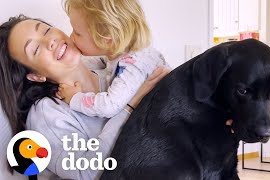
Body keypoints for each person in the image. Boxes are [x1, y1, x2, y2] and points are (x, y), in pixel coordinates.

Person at [0, 15, 169, 179]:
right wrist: (131, 107)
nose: (49, 41)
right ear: (35, 76)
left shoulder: (117, 69)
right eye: (36, 49)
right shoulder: (46, 114)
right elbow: (87, 172)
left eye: (46, 30)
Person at [57, 0, 171, 118]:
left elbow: (109, 106)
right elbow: (99, 61)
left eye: (77, 33)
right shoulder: (122, 52)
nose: (71, 37)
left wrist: (75, 98)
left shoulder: (133, 66)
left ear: (106, 40)